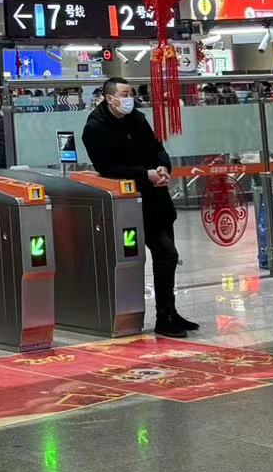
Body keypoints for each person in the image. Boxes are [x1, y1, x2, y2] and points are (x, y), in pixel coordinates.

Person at [82, 76, 198, 336]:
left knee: (167, 258)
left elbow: (157, 148)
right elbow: (107, 168)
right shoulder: (95, 127)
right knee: (166, 252)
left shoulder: (137, 119)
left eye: (131, 93)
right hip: (132, 202)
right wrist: (145, 174)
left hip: (157, 196)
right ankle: (162, 318)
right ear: (109, 98)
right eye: (124, 94)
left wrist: (163, 168)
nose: (129, 98)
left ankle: (170, 311)